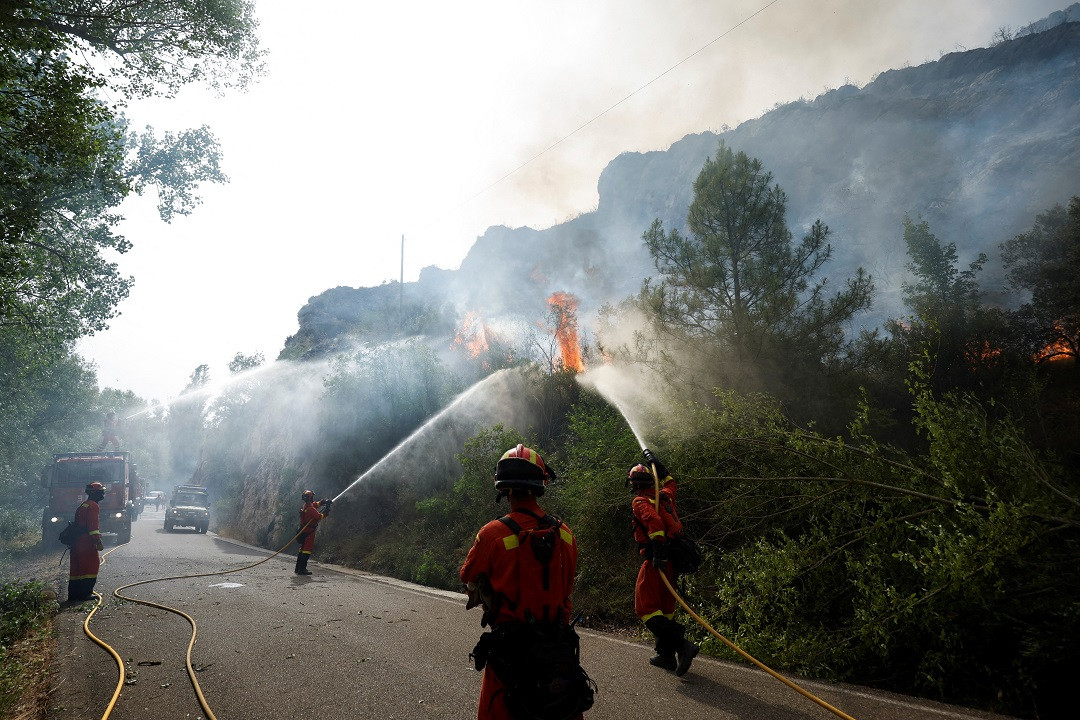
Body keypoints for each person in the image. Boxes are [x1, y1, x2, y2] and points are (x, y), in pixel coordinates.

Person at [460, 444, 593, 720]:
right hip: (558, 652)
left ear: (504, 488)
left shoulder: (492, 534)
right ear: (541, 483)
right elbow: (566, 587)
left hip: (510, 655)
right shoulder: (566, 534)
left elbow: (467, 577)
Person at [629, 448, 698, 676]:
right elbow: (672, 482)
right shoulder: (664, 495)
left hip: (657, 561)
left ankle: (681, 645)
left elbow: (655, 522)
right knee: (665, 608)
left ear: (633, 485)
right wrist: (658, 464)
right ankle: (665, 656)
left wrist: (657, 552)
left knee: (645, 607)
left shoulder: (640, 501)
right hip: (673, 562)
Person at [68, 482, 105, 602]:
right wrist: (98, 541)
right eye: (101, 492)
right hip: (86, 542)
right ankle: (85, 594)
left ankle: (74, 595)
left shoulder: (84, 505)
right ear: (95, 493)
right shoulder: (93, 506)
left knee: (77, 568)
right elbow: (93, 527)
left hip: (76, 541)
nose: (103, 494)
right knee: (90, 566)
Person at [295, 490, 332, 575]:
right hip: (309, 532)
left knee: (302, 550)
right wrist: (326, 511)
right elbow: (319, 516)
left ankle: (298, 568)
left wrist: (324, 502)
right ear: (310, 497)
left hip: (304, 531)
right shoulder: (311, 509)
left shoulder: (306, 506)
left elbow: (316, 504)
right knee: (306, 551)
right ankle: (302, 569)